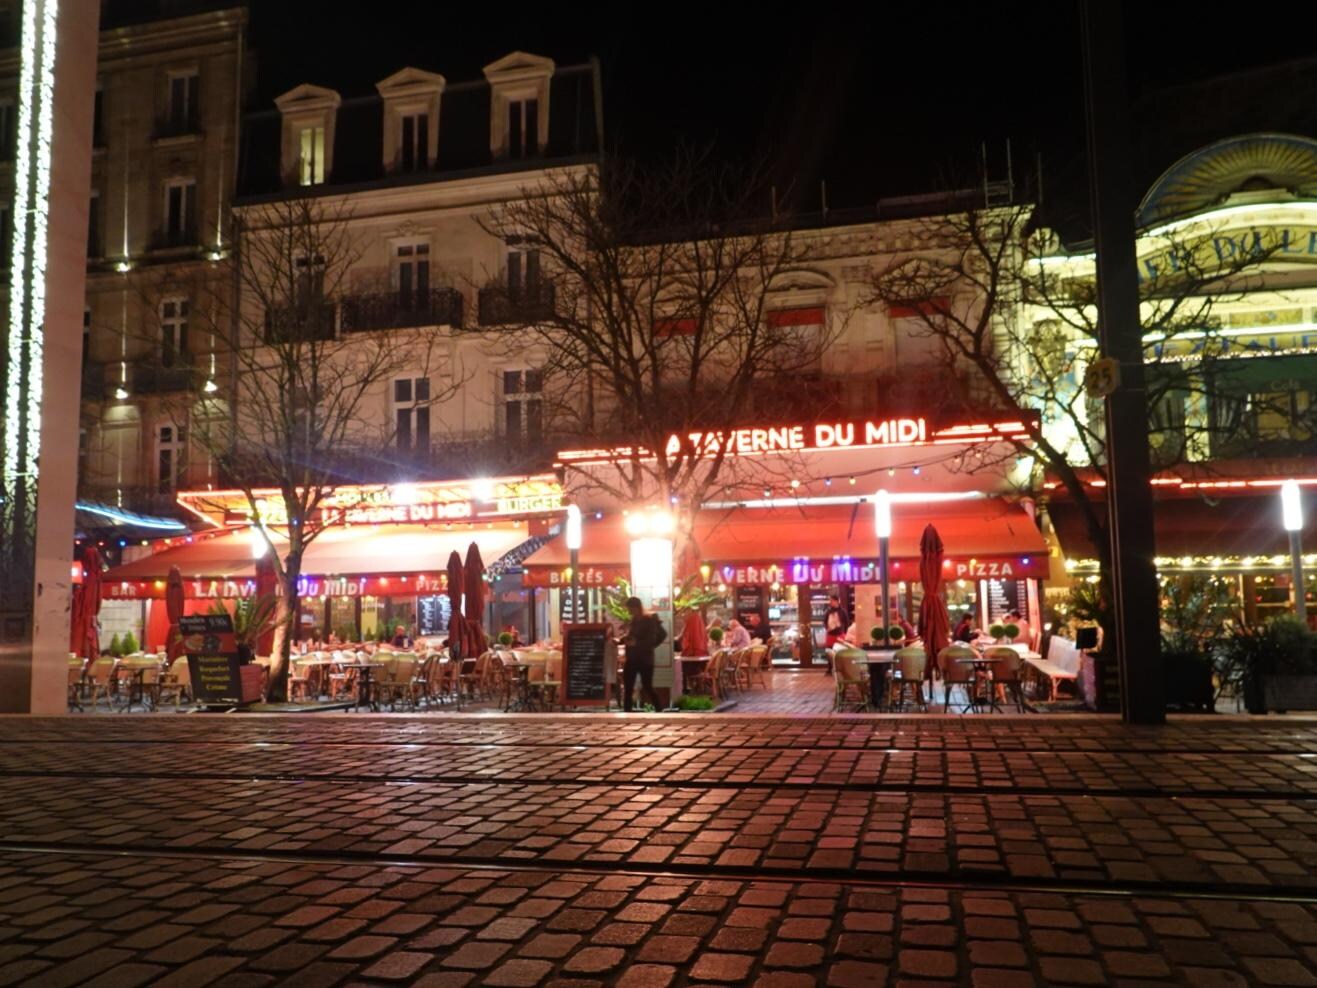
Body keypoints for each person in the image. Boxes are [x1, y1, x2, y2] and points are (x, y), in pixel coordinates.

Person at [621, 597, 665, 712]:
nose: (629, 611)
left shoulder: (648, 620)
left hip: (645, 659)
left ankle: (659, 709)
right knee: (628, 686)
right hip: (632, 658)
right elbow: (632, 637)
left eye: (630, 609)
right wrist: (621, 640)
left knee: (647, 686)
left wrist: (636, 643)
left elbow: (651, 640)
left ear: (636, 608)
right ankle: (627, 711)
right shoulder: (634, 620)